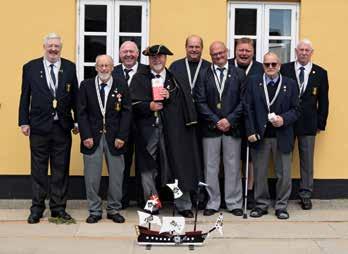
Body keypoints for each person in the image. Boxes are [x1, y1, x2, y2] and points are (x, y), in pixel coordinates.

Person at [130, 44, 202, 217]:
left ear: (165, 59)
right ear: (148, 59)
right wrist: (149, 105)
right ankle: (153, 203)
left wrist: (170, 97)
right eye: (153, 57)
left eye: (160, 56)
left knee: (177, 166)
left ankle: (183, 205)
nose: (157, 60)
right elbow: (132, 103)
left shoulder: (174, 79)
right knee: (147, 168)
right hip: (147, 131)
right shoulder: (139, 78)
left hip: (173, 131)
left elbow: (184, 105)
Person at [18, 32, 78, 224]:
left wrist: (77, 121)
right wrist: (23, 121)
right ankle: (37, 208)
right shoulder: (30, 67)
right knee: (38, 170)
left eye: (56, 46)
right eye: (50, 46)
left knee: (61, 168)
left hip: (62, 126)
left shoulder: (69, 67)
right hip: (38, 127)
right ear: (44, 47)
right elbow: (24, 96)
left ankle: (58, 208)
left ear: (61, 48)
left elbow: (75, 96)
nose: (53, 49)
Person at [244, 52, 300, 220]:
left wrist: (283, 119)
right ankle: (261, 205)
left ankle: (281, 206)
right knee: (260, 172)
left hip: (282, 134)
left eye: (273, 64)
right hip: (260, 136)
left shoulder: (289, 84)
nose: (270, 67)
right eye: (267, 64)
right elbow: (248, 108)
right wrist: (250, 131)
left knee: (284, 173)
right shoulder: (254, 82)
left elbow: (297, 110)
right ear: (263, 66)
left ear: (279, 66)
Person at [77, 55, 131, 223]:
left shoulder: (121, 84)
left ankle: (114, 209)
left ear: (112, 67)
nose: (104, 69)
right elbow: (81, 112)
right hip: (92, 138)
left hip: (115, 138)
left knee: (116, 177)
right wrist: (85, 135)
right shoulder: (86, 85)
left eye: (107, 65)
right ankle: (94, 210)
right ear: (96, 68)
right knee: (92, 177)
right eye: (100, 65)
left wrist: (122, 136)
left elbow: (127, 112)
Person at [194, 41, 245, 216]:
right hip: (210, 128)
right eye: (214, 54)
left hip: (233, 127)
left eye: (221, 53)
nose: (218, 56)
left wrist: (229, 120)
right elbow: (199, 101)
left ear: (227, 52)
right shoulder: (203, 74)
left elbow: (243, 101)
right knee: (211, 167)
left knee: (232, 166)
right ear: (210, 56)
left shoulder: (239, 73)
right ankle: (213, 202)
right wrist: (216, 121)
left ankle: (233, 202)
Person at [281, 39, 329, 210]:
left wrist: (320, 123)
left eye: (307, 50)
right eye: (301, 49)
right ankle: (283, 196)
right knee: (284, 159)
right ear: (295, 51)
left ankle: (306, 194)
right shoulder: (285, 69)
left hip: (309, 123)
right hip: (287, 122)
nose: (303, 52)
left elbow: (324, 101)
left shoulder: (321, 73)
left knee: (307, 161)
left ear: (311, 52)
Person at [169, 35, 210, 212]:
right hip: (182, 123)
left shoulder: (209, 67)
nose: (194, 50)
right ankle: (182, 202)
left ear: (202, 48)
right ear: (185, 47)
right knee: (182, 163)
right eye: (191, 47)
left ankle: (201, 197)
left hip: (205, 121)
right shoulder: (175, 67)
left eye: (197, 47)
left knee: (203, 161)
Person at [112, 41, 147, 209]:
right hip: (120, 128)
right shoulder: (113, 71)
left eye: (132, 51)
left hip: (143, 127)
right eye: (125, 52)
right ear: (119, 55)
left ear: (138, 53)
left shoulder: (146, 71)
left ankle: (143, 200)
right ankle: (121, 200)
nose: (128, 55)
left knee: (144, 165)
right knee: (121, 165)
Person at [232, 37, 264, 209]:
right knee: (232, 158)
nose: (244, 54)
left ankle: (249, 191)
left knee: (250, 158)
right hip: (232, 120)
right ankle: (233, 191)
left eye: (247, 51)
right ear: (235, 50)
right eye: (241, 50)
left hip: (252, 120)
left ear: (253, 52)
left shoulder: (260, 68)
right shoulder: (228, 65)